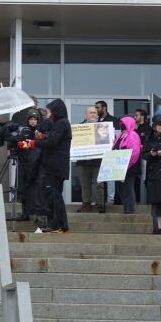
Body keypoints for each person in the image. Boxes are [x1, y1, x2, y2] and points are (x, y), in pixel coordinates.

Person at [28, 99, 72, 233]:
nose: (51, 114)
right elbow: (53, 140)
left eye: (52, 111)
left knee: (54, 195)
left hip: (56, 165)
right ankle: (59, 224)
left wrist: (34, 143)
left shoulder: (61, 123)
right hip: (56, 165)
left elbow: (52, 142)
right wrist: (41, 137)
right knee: (54, 194)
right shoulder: (61, 123)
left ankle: (58, 224)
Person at [144, 113, 161, 233]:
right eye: (159, 125)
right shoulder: (149, 138)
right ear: (154, 126)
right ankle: (157, 227)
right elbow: (144, 154)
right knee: (156, 201)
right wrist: (151, 154)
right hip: (153, 173)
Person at [113, 116, 142, 215]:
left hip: (129, 167)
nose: (121, 125)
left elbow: (135, 152)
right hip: (119, 167)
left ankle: (130, 209)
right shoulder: (120, 135)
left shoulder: (132, 135)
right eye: (121, 123)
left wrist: (127, 165)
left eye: (123, 123)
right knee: (120, 188)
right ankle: (126, 208)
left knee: (128, 188)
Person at [76, 106, 102, 213]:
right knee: (85, 184)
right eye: (90, 112)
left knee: (99, 184)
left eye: (95, 112)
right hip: (83, 161)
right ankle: (86, 204)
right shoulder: (79, 128)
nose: (93, 114)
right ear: (86, 115)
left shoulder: (103, 127)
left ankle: (100, 205)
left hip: (98, 161)